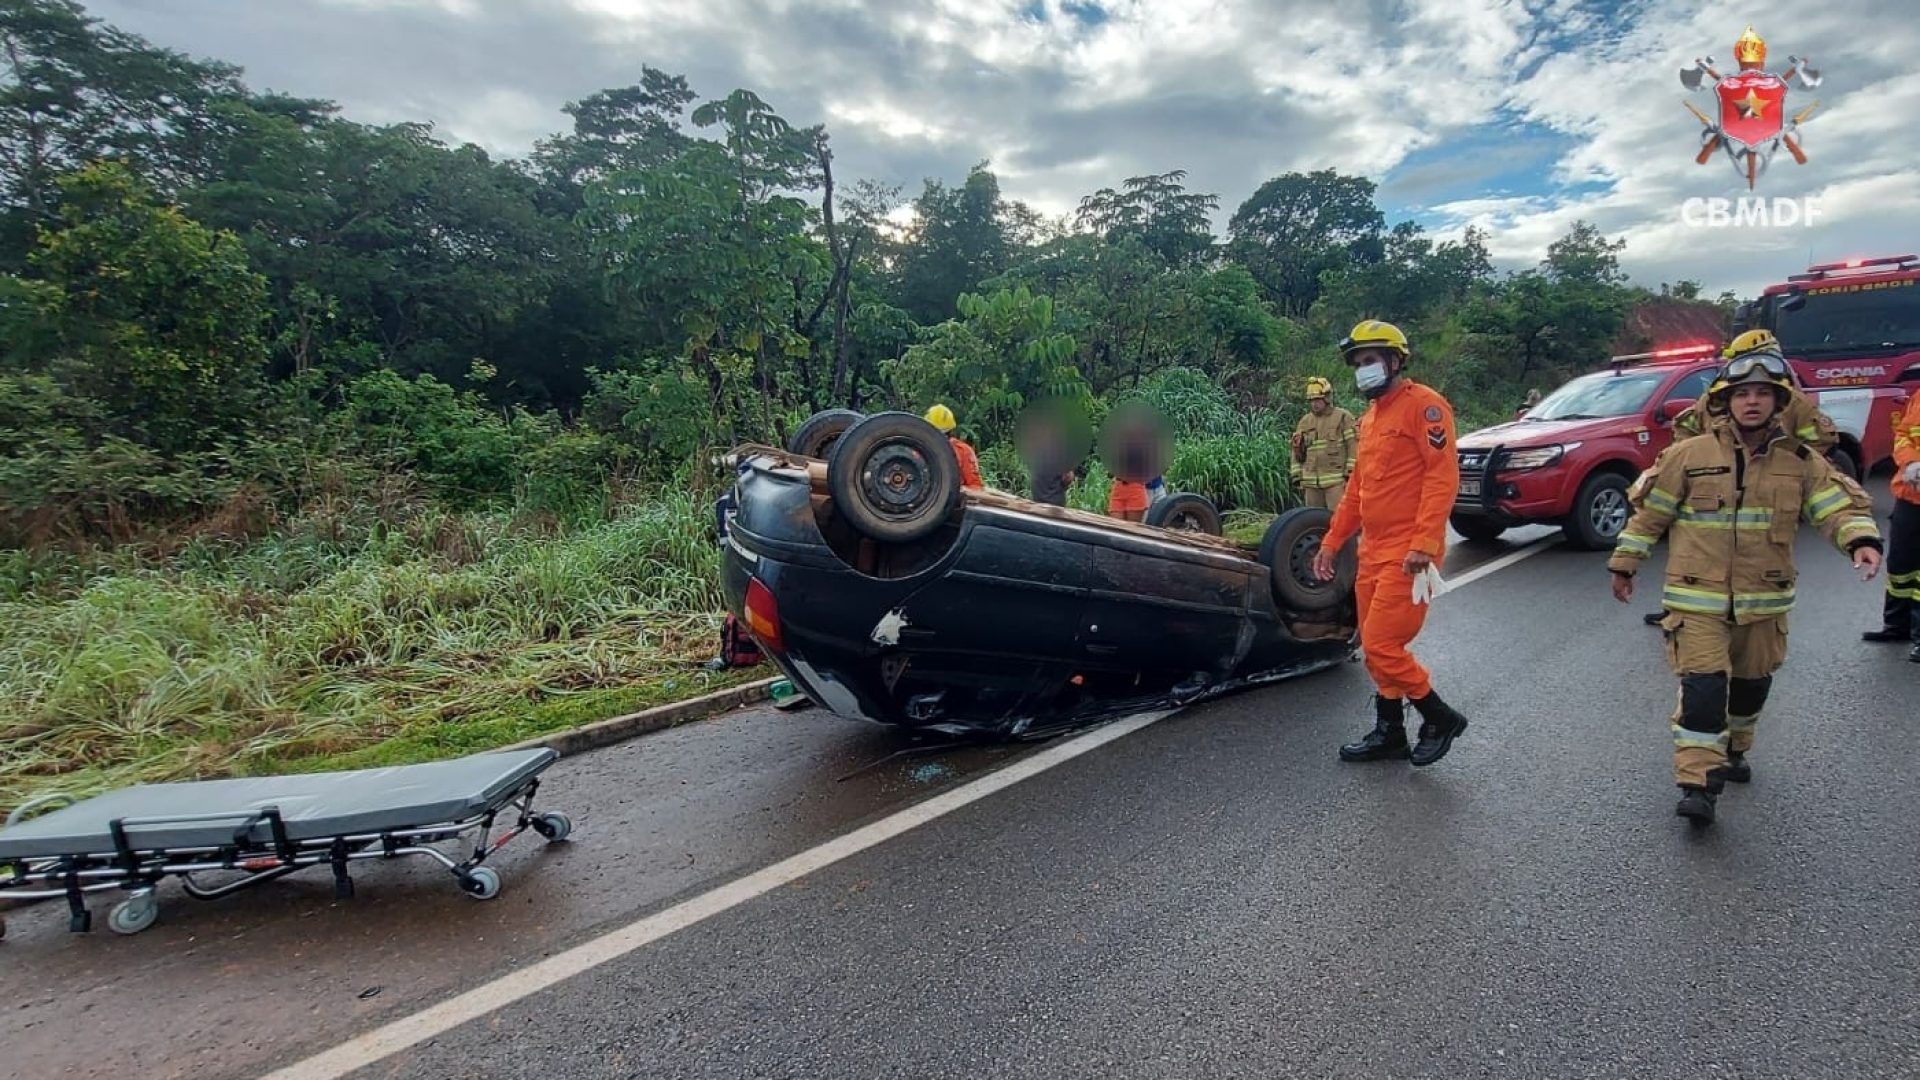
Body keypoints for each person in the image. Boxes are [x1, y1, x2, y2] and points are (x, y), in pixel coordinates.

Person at [1608, 348, 1882, 824]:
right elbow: (1651, 515)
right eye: (1742, 394)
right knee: (1703, 690)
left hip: (1765, 601)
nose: (1751, 401)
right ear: (1725, 402)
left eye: (1761, 393)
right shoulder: (1689, 455)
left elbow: (1835, 507)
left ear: (1778, 403)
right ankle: (1698, 783)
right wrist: (1625, 563)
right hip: (1695, 599)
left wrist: (1860, 540)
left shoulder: (1799, 461)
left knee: (1750, 689)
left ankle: (1735, 749)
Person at [1312, 319, 1472, 767]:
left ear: (1395, 361)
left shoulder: (1426, 407)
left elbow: (1441, 477)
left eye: (1370, 359)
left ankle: (1439, 717)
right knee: (1373, 646)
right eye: (1357, 363)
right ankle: (1390, 732)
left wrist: (1425, 541)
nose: (1362, 369)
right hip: (1372, 550)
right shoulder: (1369, 420)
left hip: (1409, 553)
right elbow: (1357, 491)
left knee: (1384, 644)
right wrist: (1332, 541)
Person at [1637, 330, 1844, 626]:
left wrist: (1786, 470)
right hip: (1711, 486)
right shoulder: (1715, 397)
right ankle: (1683, 610)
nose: (1752, 398)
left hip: (1763, 489)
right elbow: (1684, 430)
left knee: (1755, 552)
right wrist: (1694, 462)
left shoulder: (1792, 400)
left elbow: (1820, 441)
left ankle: (1752, 618)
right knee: (1694, 547)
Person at [1865, 392, 1920, 658]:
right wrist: (1911, 463)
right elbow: (1903, 434)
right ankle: (1898, 625)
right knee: (1901, 565)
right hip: (1910, 495)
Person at [1290, 376, 1358, 512]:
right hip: (1310, 482)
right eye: (1311, 400)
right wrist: (1297, 475)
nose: (1314, 404)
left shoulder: (1343, 417)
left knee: (1338, 518)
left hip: (1336, 482)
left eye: (1317, 399)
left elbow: (1353, 446)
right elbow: (1295, 449)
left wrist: (1350, 475)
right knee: (1313, 520)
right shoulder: (1305, 421)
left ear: (1327, 398)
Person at [924, 403, 983, 489]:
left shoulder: (963, 451)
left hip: (955, 496)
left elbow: (975, 486)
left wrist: (959, 490)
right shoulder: (917, 450)